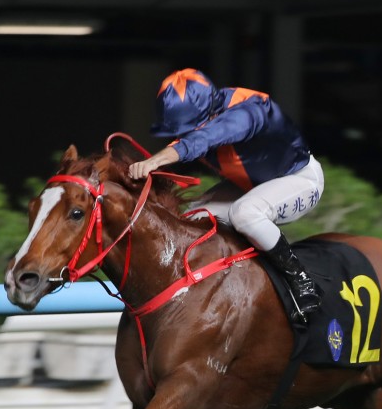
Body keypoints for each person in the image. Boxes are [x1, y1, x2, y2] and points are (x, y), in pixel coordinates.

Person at [129, 68, 324, 322]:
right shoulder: (206, 113)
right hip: (249, 184)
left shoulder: (248, 112)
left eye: (187, 129)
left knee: (245, 214)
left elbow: (204, 138)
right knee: (190, 218)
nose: (181, 136)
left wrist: (155, 161)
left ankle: (302, 281)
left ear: (209, 114)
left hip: (298, 179)